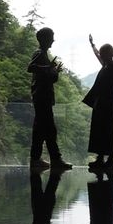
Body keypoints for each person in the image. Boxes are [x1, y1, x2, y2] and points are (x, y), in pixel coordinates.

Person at [82, 27, 113, 172]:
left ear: (109, 54)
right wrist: (92, 44)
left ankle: (110, 159)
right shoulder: (105, 66)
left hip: (108, 105)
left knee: (108, 130)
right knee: (98, 130)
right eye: (101, 54)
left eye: (103, 54)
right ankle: (100, 158)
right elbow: (97, 53)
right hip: (100, 104)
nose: (101, 56)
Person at [28, 26, 73, 171]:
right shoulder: (39, 53)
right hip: (42, 97)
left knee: (41, 130)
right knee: (49, 130)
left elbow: (49, 78)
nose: (53, 40)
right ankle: (55, 159)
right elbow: (31, 67)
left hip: (42, 97)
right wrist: (49, 67)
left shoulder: (43, 54)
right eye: (51, 37)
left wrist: (53, 70)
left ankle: (37, 159)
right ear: (45, 39)